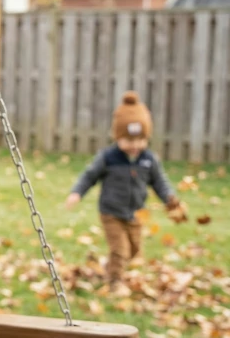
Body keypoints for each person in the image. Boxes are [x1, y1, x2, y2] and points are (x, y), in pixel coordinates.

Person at [66, 91, 184, 295]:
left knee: (135, 251)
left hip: (136, 213)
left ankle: (109, 266)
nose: (135, 145)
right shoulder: (108, 158)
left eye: (141, 140)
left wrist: (170, 200)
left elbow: (159, 182)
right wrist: (77, 192)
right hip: (111, 212)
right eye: (129, 140)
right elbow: (90, 176)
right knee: (120, 250)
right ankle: (115, 283)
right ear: (118, 137)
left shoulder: (149, 160)